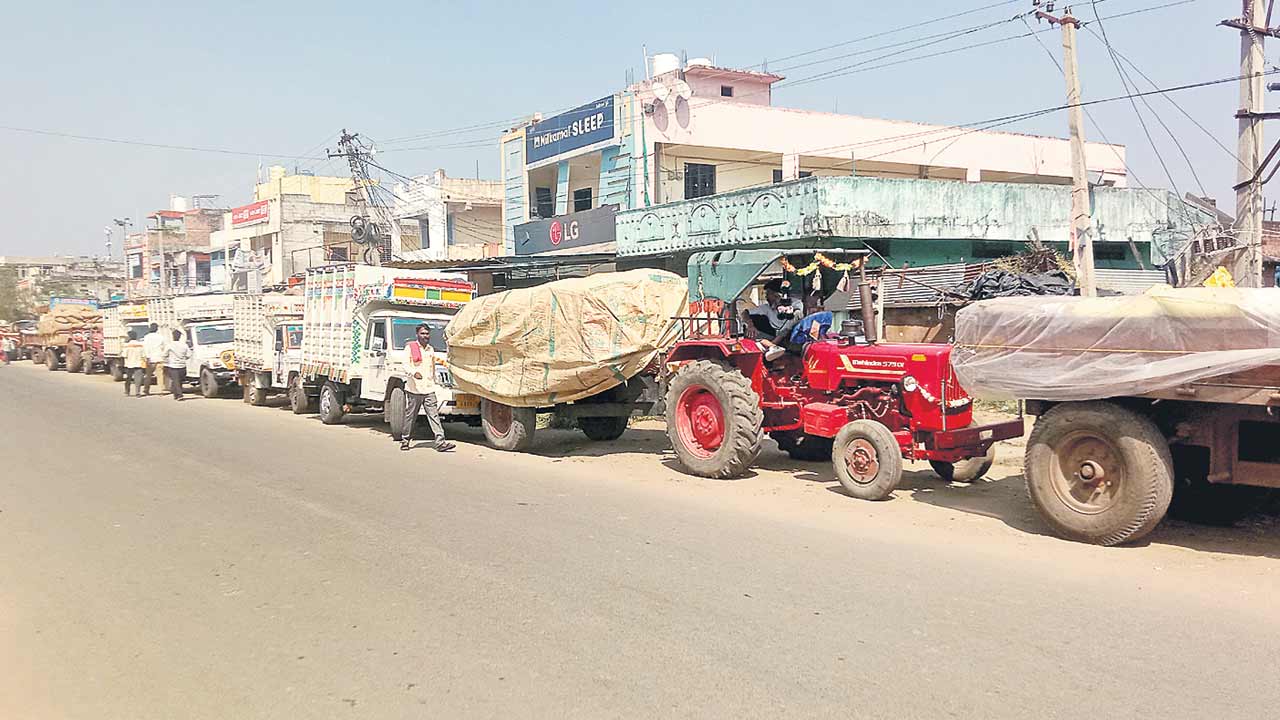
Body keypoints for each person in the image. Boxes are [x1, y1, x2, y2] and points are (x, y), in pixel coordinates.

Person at [401, 323, 455, 452]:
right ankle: (405, 440)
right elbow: (405, 365)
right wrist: (414, 373)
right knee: (410, 416)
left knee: (434, 415)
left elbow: (432, 367)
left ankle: (440, 442)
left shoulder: (430, 349)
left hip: (429, 389)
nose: (425, 336)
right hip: (414, 389)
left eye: (427, 333)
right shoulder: (411, 348)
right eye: (422, 333)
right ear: (417, 335)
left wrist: (436, 382)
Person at [163, 329, 191, 401]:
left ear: (172, 336)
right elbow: (189, 355)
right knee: (179, 381)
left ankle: (179, 395)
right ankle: (176, 394)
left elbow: (164, 354)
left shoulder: (170, 345)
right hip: (182, 365)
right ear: (180, 337)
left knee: (176, 381)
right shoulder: (184, 345)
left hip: (173, 365)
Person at [142, 322, 165, 396]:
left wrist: (146, 357)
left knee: (148, 375)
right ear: (157, 329)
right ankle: (160, 391)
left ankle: (146, 390)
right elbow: (163, 347)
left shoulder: (146, 337)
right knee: (160, 376)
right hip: (159, 358)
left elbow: (145, 348)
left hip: (150, 359)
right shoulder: (161, 337)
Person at [122, 329, 146, 396]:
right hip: (138, 364)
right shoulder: (141, 345)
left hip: (129, 364)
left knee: (128, 379)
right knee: (138, 379)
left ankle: (127, 392)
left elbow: (124, 355)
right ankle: (137, 392)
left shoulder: (126, 345)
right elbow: (144, 355)